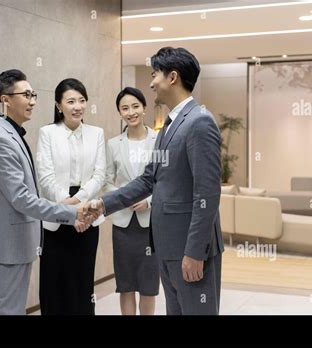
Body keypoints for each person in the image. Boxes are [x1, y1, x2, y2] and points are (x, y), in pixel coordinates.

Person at [87, 47, 224, 315]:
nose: (151, 83)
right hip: (168, 247)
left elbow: (207, 193)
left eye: (154, 75)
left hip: (190, 250)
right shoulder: (169, 127)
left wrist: (195, 252)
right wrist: (102, 204)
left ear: (172, 77)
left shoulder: (199, 122)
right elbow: (148, 179)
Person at [0, 69, 91, 315]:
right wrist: (71, 212)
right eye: (26, 94)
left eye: (33, 95)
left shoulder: (11, 134)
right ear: (5, 100)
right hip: (7, 247)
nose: (32, 100)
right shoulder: (0, 139)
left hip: (17, 244)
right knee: (7, 311)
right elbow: (21, 198)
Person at [36, 78, 106, 315]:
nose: (78, 106)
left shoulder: (97, 133)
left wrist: (80, 203)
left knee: (82, 279)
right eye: (71, 101)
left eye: (82, 100)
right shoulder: (47, 133)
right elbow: (45, 176)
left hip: (88, 212)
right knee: (54, 281)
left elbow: (100, 174)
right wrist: (66, 206)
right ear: (58, 105)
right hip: (56, 213)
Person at [104, 87, 160, 315]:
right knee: (125, 285)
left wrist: (150, 201)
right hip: (124, 225)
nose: (131, 112)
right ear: (119, 112)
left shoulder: (159, 140)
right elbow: (106, 181)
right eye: (124, 108)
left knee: (148, 286)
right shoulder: (113, 144)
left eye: (135, 106)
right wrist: (122, 198)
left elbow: (165, 180)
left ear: (144, 108)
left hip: (151, 224)